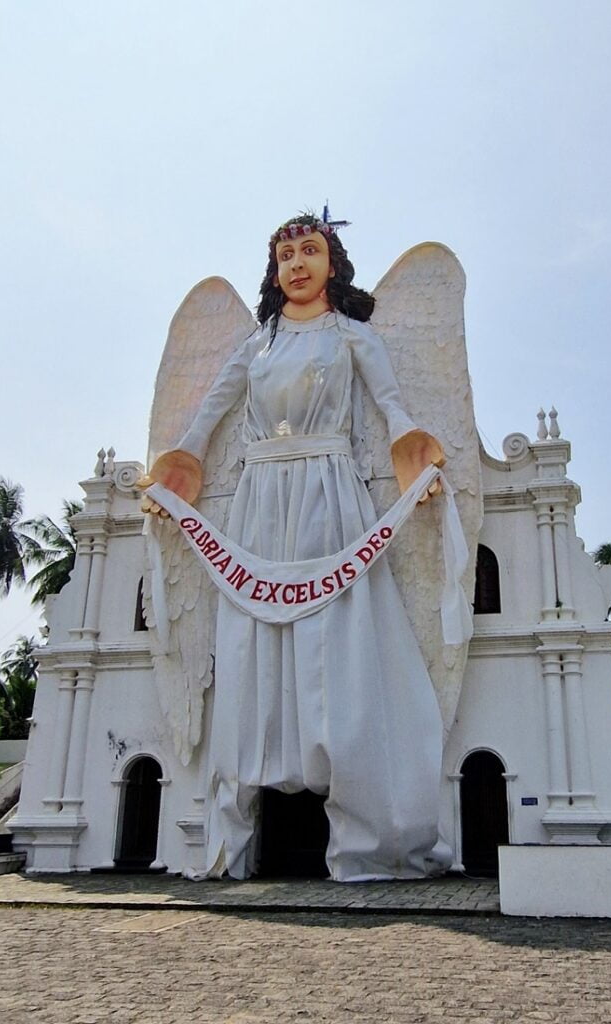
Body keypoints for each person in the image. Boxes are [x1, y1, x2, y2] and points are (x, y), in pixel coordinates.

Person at [142, 214, 452, 881]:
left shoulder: (351, 335)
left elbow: (390, 401)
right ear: (275, 269)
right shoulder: (257, 344)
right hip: (259, 503)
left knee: (336, 645)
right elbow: (212, 408)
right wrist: (185, 458)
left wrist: (409, 445)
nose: (297, 264)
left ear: (332, 264)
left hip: (329, 496)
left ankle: (365, 836)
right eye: (286, 254)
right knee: (250, 648)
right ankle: (235, 830)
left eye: (310, 250)